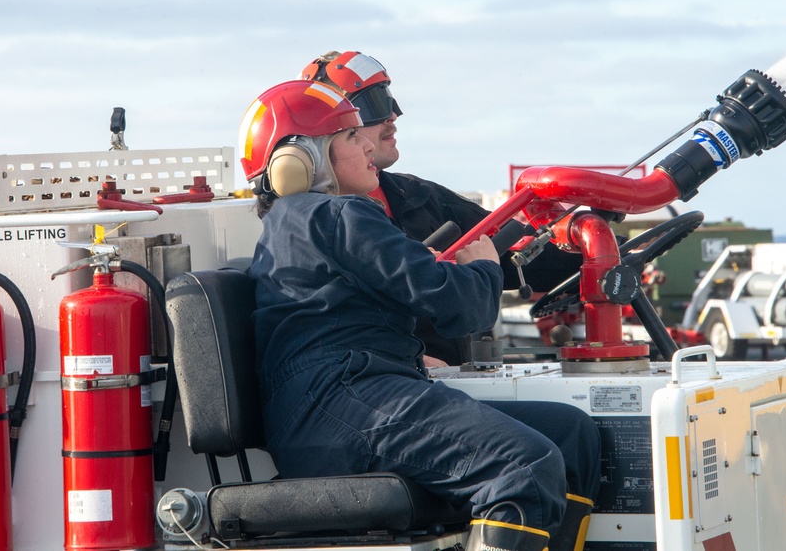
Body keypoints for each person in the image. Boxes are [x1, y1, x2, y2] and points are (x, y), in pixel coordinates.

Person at [239, 79, 601, 551]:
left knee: (571, 433)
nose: (368, 142)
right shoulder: (338, 215)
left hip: (337, 402)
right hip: (341, 399)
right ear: (302, 159)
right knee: (524, 465)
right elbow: (461, 309)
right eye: (350, 136)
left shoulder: (301, 222)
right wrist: (486, 268)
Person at [299, 51, 582, 365]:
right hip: (393, 391)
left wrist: (606, 254)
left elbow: (515, 254)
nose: (392, 116)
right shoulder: (310, 226)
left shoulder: (418, 197)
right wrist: (409, 363)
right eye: (373, 106)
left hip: (441, 387)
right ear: (330, 130)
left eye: (389, 101)